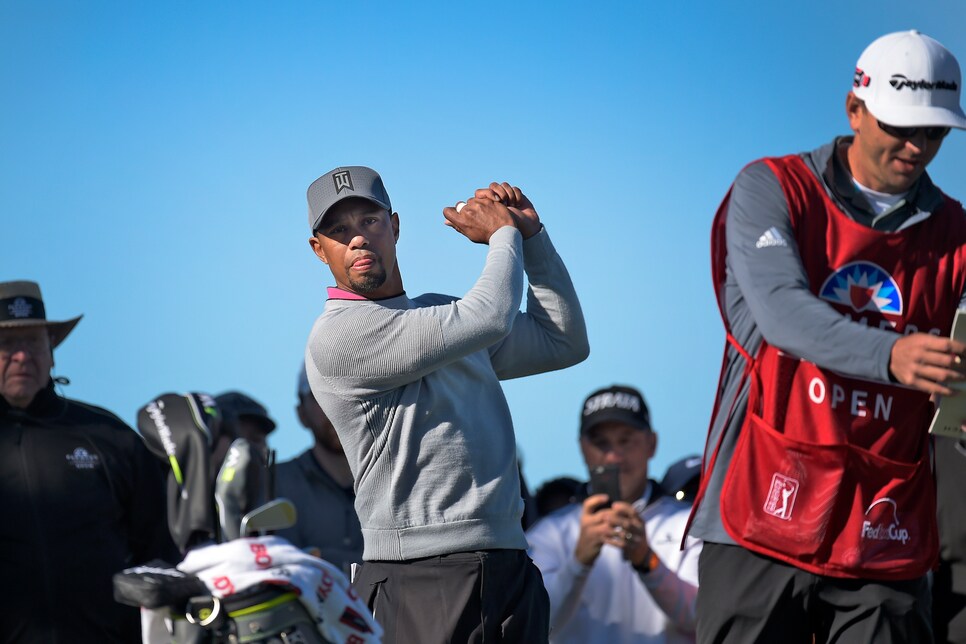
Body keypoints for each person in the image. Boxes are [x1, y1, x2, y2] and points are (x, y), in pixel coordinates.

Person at [688, 30, 966, 643]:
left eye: (935, 132)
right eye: (901, 125)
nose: (917, 146)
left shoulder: (958, 232)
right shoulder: (771, 188)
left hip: (882, 526)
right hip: (758, 511)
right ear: (854, 109)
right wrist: (892, 354)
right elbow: (784, 315)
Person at [303, 165, 589, 643]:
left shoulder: (442, 316)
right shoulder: (337, 337)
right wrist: (503, 236)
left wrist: (532, 237)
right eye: (338, 230)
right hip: (417, 576)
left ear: (394, 226)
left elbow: (562, 341)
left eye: (369, 221)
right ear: (319, 249)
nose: (357, 239)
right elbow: (491, 314)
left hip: (508, 567)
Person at [0, 280, 175, 642]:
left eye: (32, 342)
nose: (21, 356)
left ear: (51, 350)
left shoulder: (107, 435)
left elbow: (161, 551)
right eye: (7, 344)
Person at [527, 384, 701, 643]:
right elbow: (535, 623)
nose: (613, 457)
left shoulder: (689, 524)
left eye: (626, 440)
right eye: (601, 443)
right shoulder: (548, 533)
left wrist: (647, 561)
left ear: (652, 444)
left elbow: (701, 615)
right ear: (582, 448)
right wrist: (579, 561)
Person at [274, 361, 363, 573]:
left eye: (344, 394)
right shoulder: (276, 483)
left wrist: (321, 557)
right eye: (320, 397)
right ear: (301, 414)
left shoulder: (394, 480)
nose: (335, 407)